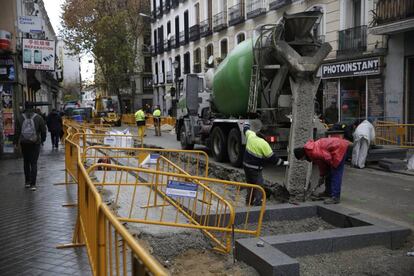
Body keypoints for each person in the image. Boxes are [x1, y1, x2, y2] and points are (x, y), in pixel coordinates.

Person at [294, 137, 350, 204]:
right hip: (335, 148)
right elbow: (321, 164)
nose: (303, 160)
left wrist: (329, 169)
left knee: (335, 173)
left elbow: (327, 158)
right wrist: (322, 175)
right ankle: (328, 193)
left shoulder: (313, 152)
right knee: (328, 173)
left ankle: (335, 197)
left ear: (302, 155)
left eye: (301, 159)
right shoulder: (310, 150)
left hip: (339, 148)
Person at [243, 122, 283, 206]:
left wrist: (246, 123)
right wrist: (283, 162)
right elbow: (273, 159)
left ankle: (248, 203)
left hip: (246, 166)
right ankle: (257, 204)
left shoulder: (251, 135)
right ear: (265, 136)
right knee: (259, 187)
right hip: (255, 169)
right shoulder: (264, 144)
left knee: (250, 185)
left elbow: (245, 129)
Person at [14, 103, 47, 191]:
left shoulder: (20, 117)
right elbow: (43, 130)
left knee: (26, 162)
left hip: (24, 142)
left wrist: (15, 142)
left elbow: (17, 131)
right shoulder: (39, 117)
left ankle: (27, 182)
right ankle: (33, 185)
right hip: (35, 143)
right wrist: (43, 140)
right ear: (33, 108)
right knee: (34, 163)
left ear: (25, 108)